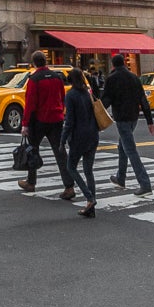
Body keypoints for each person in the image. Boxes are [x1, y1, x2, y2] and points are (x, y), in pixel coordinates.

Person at [16, 51, 74, 198]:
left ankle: (31, 182)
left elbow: (30, 103)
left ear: (34, 63)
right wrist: (60, 110)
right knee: (60, 153)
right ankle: (69, 186)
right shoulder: (57, 77)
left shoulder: (34, 79)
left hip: (39, 120)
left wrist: (25, 124)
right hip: (56, 118)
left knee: (32, 150)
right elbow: (62, 97)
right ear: (46, 61)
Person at [100, 53, 154, 195]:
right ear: (124, 63)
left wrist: (95, 115)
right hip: (133, 117)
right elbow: (143, 100)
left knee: (130, 150)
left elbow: (106, 100)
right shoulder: (134, 77)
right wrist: (149, 121)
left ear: (113, 65)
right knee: (122, 147)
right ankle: (120, 177)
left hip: (121, 117)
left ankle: (145, 184)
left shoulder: (111, 79)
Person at [63, 67, 101, 218]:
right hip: (93, 134)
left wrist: (63, 138)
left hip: (79, 136)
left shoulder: (71, 95)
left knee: (71, 167)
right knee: (88, 170)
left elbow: (69, 121)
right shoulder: (87, 93)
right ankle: (91, 205)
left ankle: (90, 198)